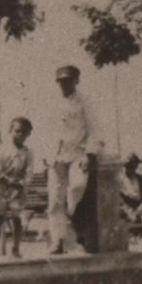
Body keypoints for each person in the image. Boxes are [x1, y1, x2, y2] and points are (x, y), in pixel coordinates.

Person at [49, 65, 102, 255]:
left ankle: (70, 211)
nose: (65, 84)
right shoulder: (52, 102)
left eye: (68, 80)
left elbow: (94, 129)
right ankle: (58, 241)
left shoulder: (85, 102)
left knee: (77, 187)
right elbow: (46, 131)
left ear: (76, 81)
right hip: (57, 156)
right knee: (55, 200)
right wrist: (46, 156)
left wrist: (89, 153)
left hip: (77, 154)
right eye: (61, 81)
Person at [0, 117, 33, 261]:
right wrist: (6, 179)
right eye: (18, 131)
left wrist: (22, 183)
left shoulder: (27, 152)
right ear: (10, 130)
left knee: (17, 219)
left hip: (18, 189)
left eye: (25, 132)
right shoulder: (2, 149)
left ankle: (16, 248)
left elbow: (29, 171)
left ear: (29, 134)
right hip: (1, 187)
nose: (21, 135)